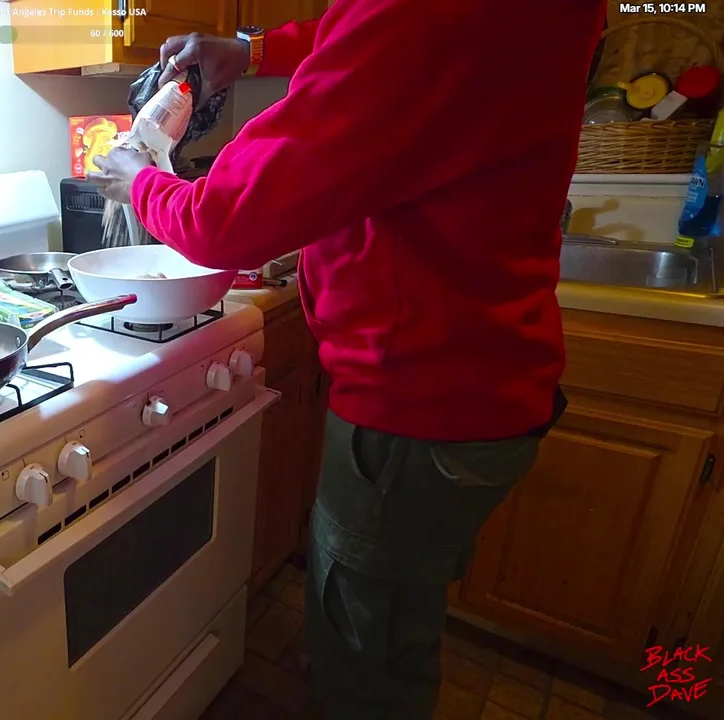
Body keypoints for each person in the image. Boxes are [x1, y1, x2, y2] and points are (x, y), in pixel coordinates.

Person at [86, 1, 604, 718]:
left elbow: (224, 221)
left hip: (416, 407)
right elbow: (372, 40)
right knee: (398, 619)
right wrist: (253, 49)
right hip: (487, 380)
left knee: (366, 651)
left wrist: (139, 179)